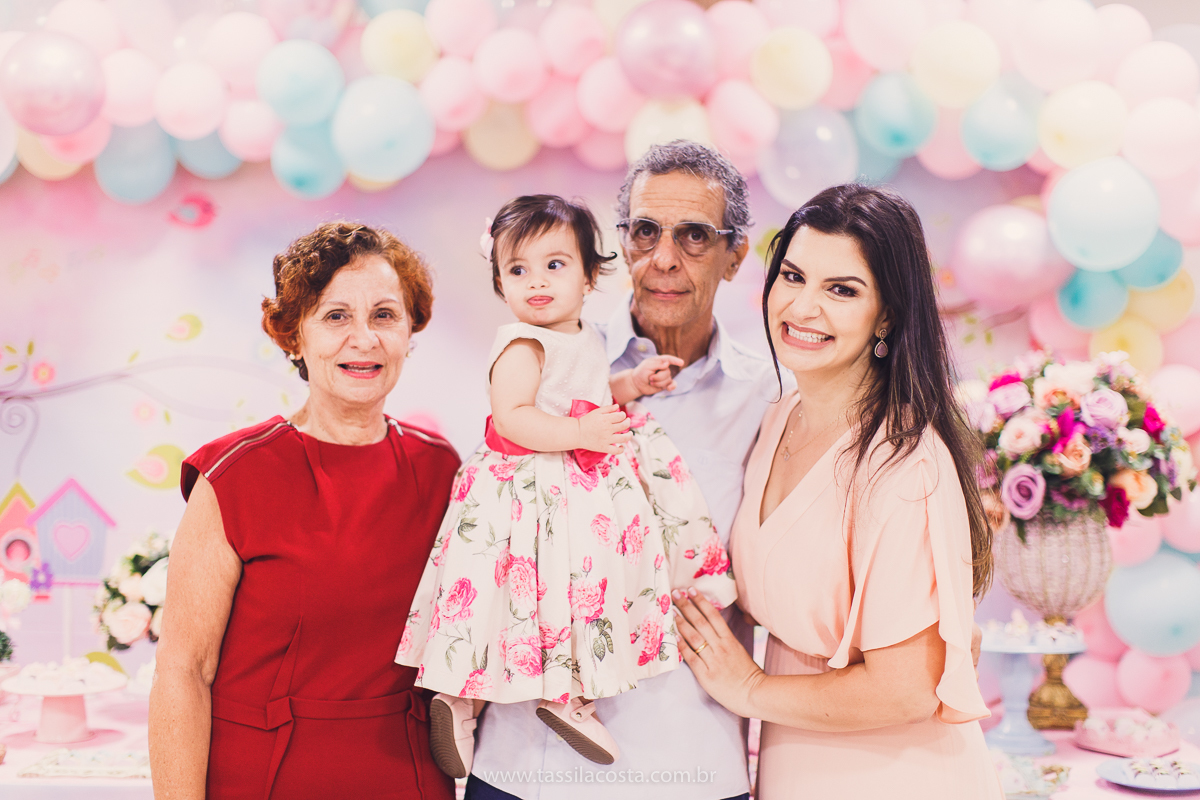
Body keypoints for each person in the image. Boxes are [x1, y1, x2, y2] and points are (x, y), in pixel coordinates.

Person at [466, 143, 779, 800]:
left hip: (689, 763)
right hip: (530, 765)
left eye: (695, 235)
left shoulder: (769, 399)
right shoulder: (545, 356)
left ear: (735, 255)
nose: (663, 257)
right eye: (645, 231)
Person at [670, 184, 1004, 799]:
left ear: (887, 315)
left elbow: (906, 688)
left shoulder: (903, 464)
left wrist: (749, 688)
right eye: (793, 276)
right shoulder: (779, 418)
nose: (802, 307)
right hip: (797, 763)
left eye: (841, 290)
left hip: (897, 776)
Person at [397, 194, 738, 778]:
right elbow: (513, 417)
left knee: (574, 591)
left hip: (565, 491)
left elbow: (588, 391)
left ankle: (566, 694)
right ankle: (458, 698)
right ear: (500, 283)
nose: (536, 282)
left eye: (554, 265)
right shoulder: (522, 344)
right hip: (524, 492)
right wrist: (581, 431)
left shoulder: (582, 338)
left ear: (588, 277)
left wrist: (632, 384)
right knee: (511, 593)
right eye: (517, 270)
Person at [149, 223, 458, 800]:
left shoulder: (442, 468)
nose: (363, 339)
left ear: (409, 331)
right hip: (264, 778)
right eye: (336, 316)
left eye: (384, 315)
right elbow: (183, 673)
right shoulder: (233, 477)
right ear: (293, 336)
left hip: (409, 776)